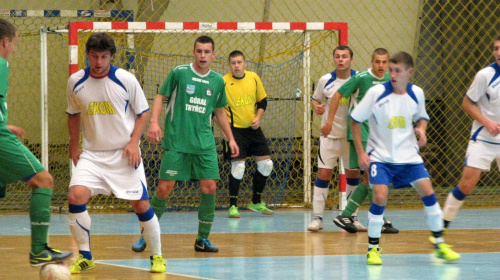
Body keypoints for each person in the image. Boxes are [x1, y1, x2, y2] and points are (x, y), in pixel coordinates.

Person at [66, 32, 166, 274]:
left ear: (111, 56)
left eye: (103, 56)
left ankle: (157, 256)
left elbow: (142, 113)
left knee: (141, 204)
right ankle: (86, 256)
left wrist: (134, 143)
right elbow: (73, 113)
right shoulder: (75, 81)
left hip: (124, 153)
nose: (98, 62)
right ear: (86, 55)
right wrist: (74, 145)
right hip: (92, 154)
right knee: (75, 196)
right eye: (93, 56)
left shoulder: (126, 79)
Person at [350, 51, 460, 265]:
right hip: (380, 157)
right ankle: (373, 248)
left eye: (397, 71)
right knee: (380, 197)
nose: (392, 74)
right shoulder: (376, 92)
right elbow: (354, 120)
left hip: (409, 156)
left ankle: (439, 244)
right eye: (390, 70)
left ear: (409, 72)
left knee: (429, 194)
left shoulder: (417, 93)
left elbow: (422, 118)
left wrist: (422, 130)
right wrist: (362, 153)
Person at [131, 35, 239, 253]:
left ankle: (202, 239)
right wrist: (154, 123)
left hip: (204, 145)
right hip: (177, 142)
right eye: (199, 51)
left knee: (210, 187)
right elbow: (161, 96)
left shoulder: (217, 81)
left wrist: (231, 137)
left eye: (207, 52)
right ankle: (146, 236)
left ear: (213, 55)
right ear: (193, 52)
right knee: (164, 188)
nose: (202, 55)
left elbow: (219, 111)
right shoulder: (180, 73)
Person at [0, 18, 73, 267]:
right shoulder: (0, 64)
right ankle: (39, 250)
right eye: (15, 44)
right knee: (44, 180)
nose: (15, 50)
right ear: (5, 41)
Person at [321, 48, 399, 234]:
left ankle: (347, 215)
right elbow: (338, 95)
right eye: (377, 62)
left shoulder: (390, 80)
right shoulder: (361, 78)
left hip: (379, 134)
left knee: (368, 178)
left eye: (384, 62)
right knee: (373, 176)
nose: (381, 65)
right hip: (361, 133)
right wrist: (329, 121)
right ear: (371, 62)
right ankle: (379, 219)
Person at [432, 35, 500, 244]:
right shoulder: (484, 76)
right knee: (467, 185)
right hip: (484, 137)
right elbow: (467, 103)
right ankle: (440, 229)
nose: (498, 52)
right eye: (496, 48)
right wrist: (487, 123)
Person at [307, 45, 363, 232]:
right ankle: (317, 218)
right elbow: (315, 99)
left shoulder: (359, 79)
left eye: (344, 56)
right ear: (334, 60)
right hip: (329, 137)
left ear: (351, 60)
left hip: (351, 138)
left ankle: (352, 217)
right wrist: (317, 107)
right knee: (323, 174)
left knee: (353, 176)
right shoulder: (326, 80)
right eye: (337, 56)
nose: (341, 59)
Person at [222, 50, 274, 218]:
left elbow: (262, 101)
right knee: (238, 167)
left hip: (253, 129)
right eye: (233, 63)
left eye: (239, 62)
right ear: (229, 65)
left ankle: (256, 202)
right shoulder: (223, 82)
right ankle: (233, 206)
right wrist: (225, 132)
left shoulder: (253, 78)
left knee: (267, 164)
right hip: (234, 129)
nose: (236, 65)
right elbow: (216, 110)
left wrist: (258, 117)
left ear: (245, 63)